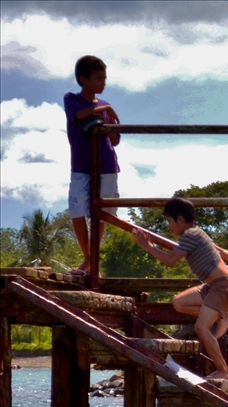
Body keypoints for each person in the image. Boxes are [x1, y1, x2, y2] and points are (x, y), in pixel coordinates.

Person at [133, 196, 228, 380]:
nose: (169, 226)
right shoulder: (197, 233)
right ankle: (223, 316)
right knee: (179, 302)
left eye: (169, 221)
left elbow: (171, 261)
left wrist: (147, 246)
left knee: (201, 328)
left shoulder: (190, 235)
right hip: (212, 286)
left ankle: (223, 370)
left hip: (221, 286)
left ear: (180, 219)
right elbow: (220, 251)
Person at [64, 55, 121, 276]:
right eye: (98, 78)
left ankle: (91, 261)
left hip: (107, 164)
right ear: (83, 79)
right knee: (77, 210)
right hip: (81, 164)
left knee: (103, 211)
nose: (103, 83)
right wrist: (102, 111)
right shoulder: (72, 99)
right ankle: (89, 259)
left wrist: (112, 122)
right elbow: (79, 114)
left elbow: (115, 141)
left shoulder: (105, 107)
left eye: (104, 78)